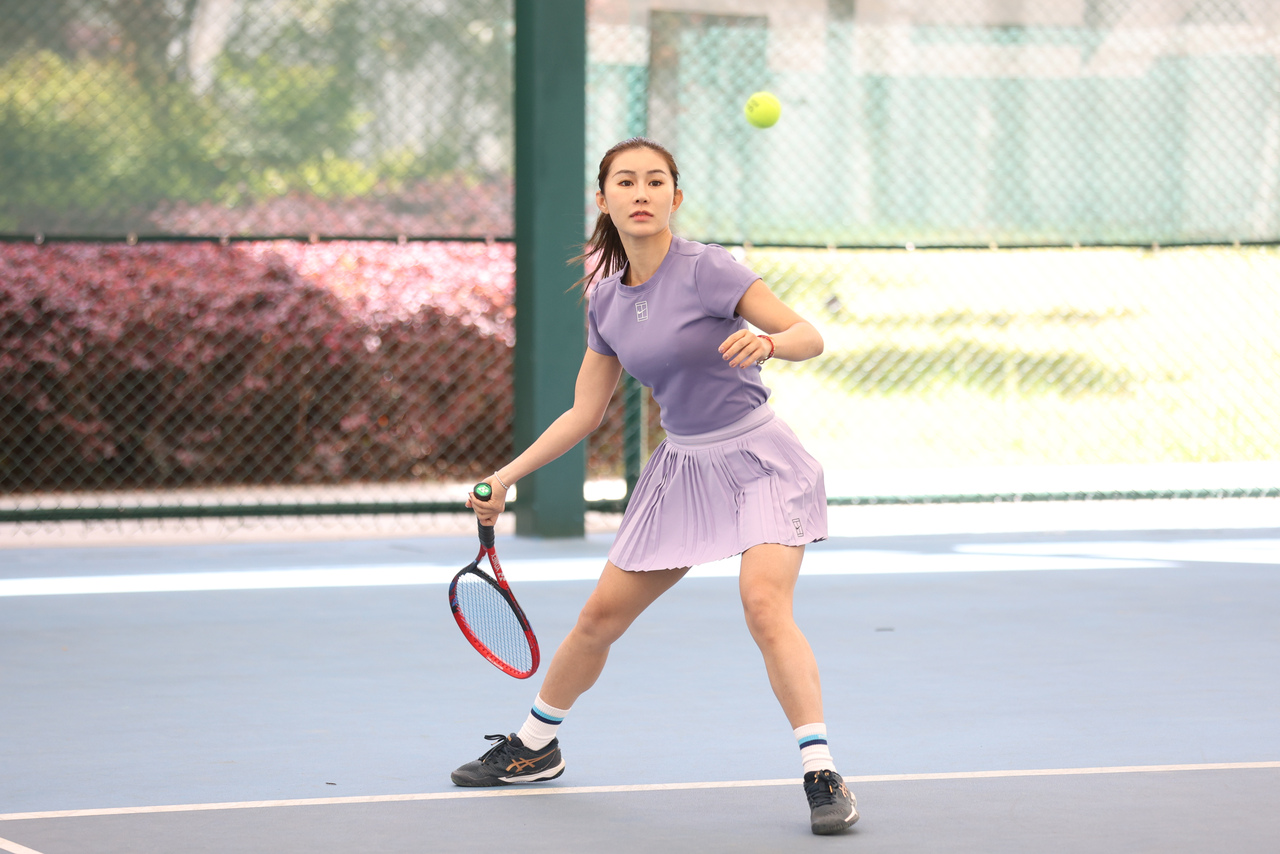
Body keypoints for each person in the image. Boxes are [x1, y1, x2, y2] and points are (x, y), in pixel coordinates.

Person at [453, 137, 857, 836]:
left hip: (759, 461)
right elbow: (584, 413)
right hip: (682, 472)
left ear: (675, 197)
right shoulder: (606, 301)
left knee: (764, 605)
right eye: (625, 182)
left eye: (655, 181)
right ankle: (536, 745)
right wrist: (504, 477)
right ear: (603, 198)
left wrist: (769, 342)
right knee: (598, 620)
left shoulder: (709, 269)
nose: (640, 193)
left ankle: (820, 771)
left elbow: (808, 334)